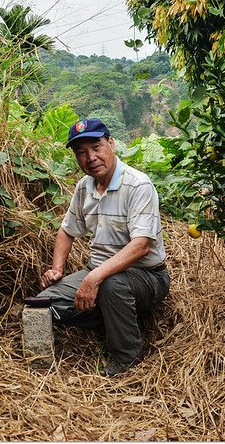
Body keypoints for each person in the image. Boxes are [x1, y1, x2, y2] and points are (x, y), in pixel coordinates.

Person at [37, 118, 169, 376]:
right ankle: (108, 319)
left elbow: (141, 246)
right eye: (81, 153)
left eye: (96, 147)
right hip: (97, 273)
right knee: (41, 306)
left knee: (111, 284)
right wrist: (57, 269)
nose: (91, 157)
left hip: (146, 277)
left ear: (111, 143)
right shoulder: (84, 187)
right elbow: (66, 231)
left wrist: (95, 277)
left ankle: (126, 357)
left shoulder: (138, 185)